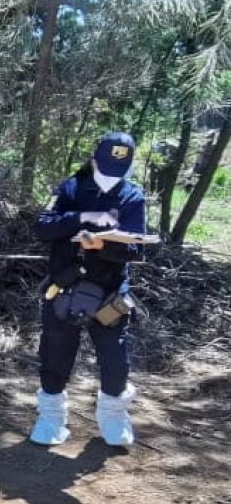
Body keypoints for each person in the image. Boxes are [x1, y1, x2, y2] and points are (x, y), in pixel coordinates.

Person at [31, 132, 146, 447]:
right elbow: (42, 226)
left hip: (110, 293)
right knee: (54, 355)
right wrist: (82, 218)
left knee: (115, 359)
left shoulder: (133, 197)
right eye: (106, 165)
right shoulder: (70, 188)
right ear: (95, 158)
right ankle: (50, 418)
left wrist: (101, 245)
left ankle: (113, 417)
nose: (111, 175)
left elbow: (136, 249)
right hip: (64, 288)